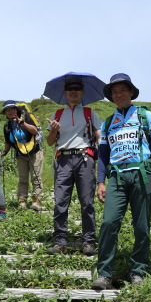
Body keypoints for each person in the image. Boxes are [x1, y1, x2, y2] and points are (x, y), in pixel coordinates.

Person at [91, 73, 151, 290]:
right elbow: (103, 154)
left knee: (141, 226)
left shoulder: (145, 116)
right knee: (108, 223)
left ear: (131, 92)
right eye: (114, 92)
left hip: (141, 175)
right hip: (116, 177)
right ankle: (104, 274)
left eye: (123, 90)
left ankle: (138, 271)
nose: (118, 94)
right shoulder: (107, 123)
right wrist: (101, 182)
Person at [45, 78, 102, 255]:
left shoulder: (89, 113)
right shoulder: (57, 114)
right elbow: (49, 141)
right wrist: (54, 129)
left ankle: (89, 241)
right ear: (64, 93)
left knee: (87, 202)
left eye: (77, 89)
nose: (73, 91)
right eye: (70, 89)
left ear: (82, 93)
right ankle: (60, 241)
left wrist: (103, 151)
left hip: (85, 158)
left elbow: (99, 135)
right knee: (60, 201)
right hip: (63, 158)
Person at [0, 100, 44, 212]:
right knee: (23, 178)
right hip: (20, 154)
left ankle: (37, 201)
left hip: (35, 152)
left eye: (12, 109)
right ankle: (22, 201)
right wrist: (4, 151)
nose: (10, 112)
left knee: (35, 177)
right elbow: (8, 141)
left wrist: (23, 123)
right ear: (4, 113)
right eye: (7, 110)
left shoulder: (26, 119)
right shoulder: (7, 126)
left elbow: (34, 131)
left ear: (17, 110)